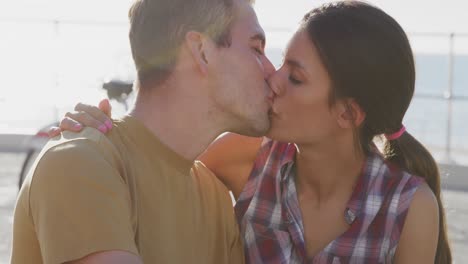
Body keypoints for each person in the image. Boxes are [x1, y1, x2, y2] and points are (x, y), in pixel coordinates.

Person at [58, 1, 453, 263]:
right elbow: (156, 170)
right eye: (279, 62)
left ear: (348, 113)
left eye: (295, 77)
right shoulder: (243, 159)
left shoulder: (408, 208)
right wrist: (102, 134)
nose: (273, 79)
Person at [11, 0, 276, 263]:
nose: (271, 70)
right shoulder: (78, 161)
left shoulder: (215, 198)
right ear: (202, 51)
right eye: (256, 48)